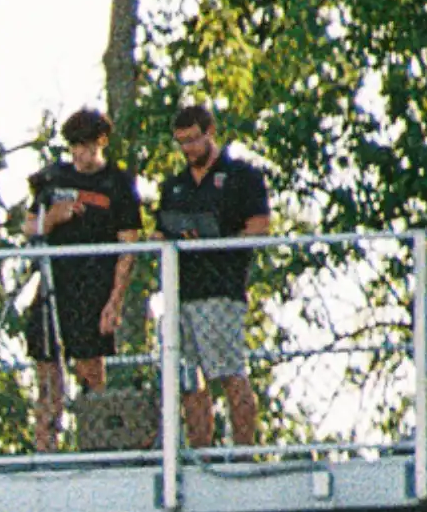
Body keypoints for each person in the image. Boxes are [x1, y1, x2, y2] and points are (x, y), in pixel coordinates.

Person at [24, 109, 146, 443]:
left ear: (101, 142)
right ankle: (45, 449)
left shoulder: (118, 183)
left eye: (86, 145)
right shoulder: (54, 179)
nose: (79, 153)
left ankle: (94, 443)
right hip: (54, 285)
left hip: (95, 287)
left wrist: (114, 301)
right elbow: (29, 226)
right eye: (74, 146)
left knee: (90, 369)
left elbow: (129, 247)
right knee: (47, 371)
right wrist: (53, 217)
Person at [156, 104, 274, 449]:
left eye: (193, 140)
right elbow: (161, 231)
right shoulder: (174, 186)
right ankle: (201, 452)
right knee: (189, 379)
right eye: (182, 142)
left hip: (221, 289)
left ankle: (244, 451)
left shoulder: (241, 176)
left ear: (210, 133)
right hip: (182, 291)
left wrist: (218, 242)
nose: (188, 149)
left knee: (228, 372)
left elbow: (259, 225)